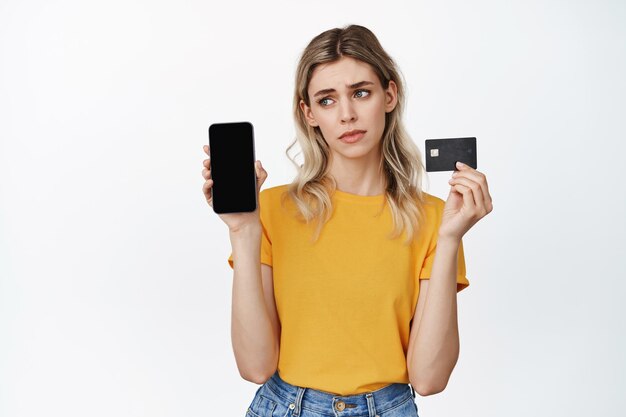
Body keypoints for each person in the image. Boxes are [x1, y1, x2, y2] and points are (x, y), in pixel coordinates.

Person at [201, 24, 492, 417]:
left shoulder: (435, 218)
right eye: (326, 100)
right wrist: (243, 230)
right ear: (309, 114)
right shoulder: (268, 210)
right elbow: (255, 367)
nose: (347, 114)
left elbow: (429, 379)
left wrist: (452, 238)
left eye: (361, 92)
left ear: (389, 95)